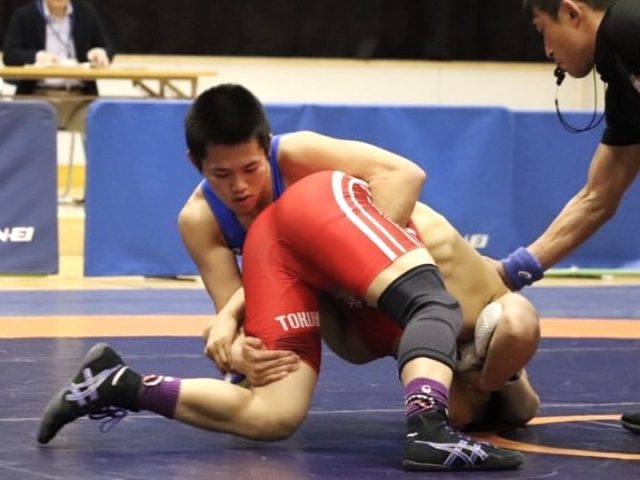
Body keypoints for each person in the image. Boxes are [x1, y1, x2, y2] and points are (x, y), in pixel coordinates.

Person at [37, 170, 527, 472]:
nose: (240, 188)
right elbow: (400, 178)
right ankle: (430, 429)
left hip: (329, 287)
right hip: (340, 262)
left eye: (249, 171)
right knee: (464, 315)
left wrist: (232, 329)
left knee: (273, 417)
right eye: (224, 175)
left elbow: (398, 178)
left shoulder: (457, 347)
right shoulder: (240, 195)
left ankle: (118, 383)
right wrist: (230, 328)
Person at [510, 0, 640, 434]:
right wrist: (513, 271)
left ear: (570, 12)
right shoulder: (621, 73)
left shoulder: (630, 26)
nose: (547, 50)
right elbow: (598, 196)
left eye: (541, 29)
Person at [2, 0, 114, 131]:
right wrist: (37, 56)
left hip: (80, 98)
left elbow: (107, 46)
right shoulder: (25, 15)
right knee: (27, 135)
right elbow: (10, 55)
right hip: (38, 96)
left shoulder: (85, 12)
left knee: (105, 124)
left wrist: (101, 52)